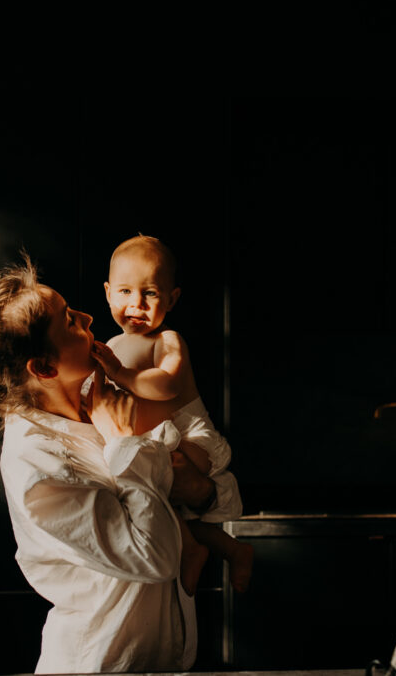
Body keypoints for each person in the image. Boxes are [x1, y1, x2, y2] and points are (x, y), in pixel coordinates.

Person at [0, 255, 236, 674]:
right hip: (101, 665)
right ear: (43, 367)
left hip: (163, 661)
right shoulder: (37, 468)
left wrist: (201, 490)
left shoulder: (107, 396)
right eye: (71, 322)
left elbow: (211, 483)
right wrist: (125, 443)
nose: (90, 316)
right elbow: (158, 558)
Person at [90, 234, 253, 596]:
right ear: (107, 293)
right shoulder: (112, 346)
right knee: (158, 499)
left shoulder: (168, 341)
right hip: (159, 443)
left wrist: (121, 375)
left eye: (149, 293)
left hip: (194, 439)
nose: (137, 304)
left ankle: (197, 550)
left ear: (172, 298)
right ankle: (228, 550)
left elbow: (165, 385)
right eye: (125, 292)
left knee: (155, 480)